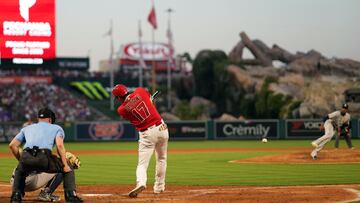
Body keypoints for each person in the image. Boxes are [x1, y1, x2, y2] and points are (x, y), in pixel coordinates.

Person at [9, 107, 83, 203]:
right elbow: (60, 145)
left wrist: (22, 160)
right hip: (43, 157)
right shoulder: (57, 128)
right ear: (50, 119)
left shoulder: (26, 128)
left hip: (26, 156)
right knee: (67, 166)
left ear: (38, 118)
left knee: (20, 169)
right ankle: (70, 196)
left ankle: (16, 196)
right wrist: (64, 164)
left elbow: (12, 145)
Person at [112, 84, 169, 198]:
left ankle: (141, 183)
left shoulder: (121, 110)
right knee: (161, 159)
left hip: (147, 134)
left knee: (142, 164)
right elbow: (146, 100)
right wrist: (149, 101)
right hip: (162, 128)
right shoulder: (140, 91)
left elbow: (133, 107)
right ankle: (159, 187)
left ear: (118, 97)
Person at [10, 151, 81, 202]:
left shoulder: (29, 151)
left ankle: (17, 194)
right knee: (62, 168)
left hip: (15, 183)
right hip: (29, 183)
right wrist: (65, 161)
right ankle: (46, 194)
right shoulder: (41, 153)